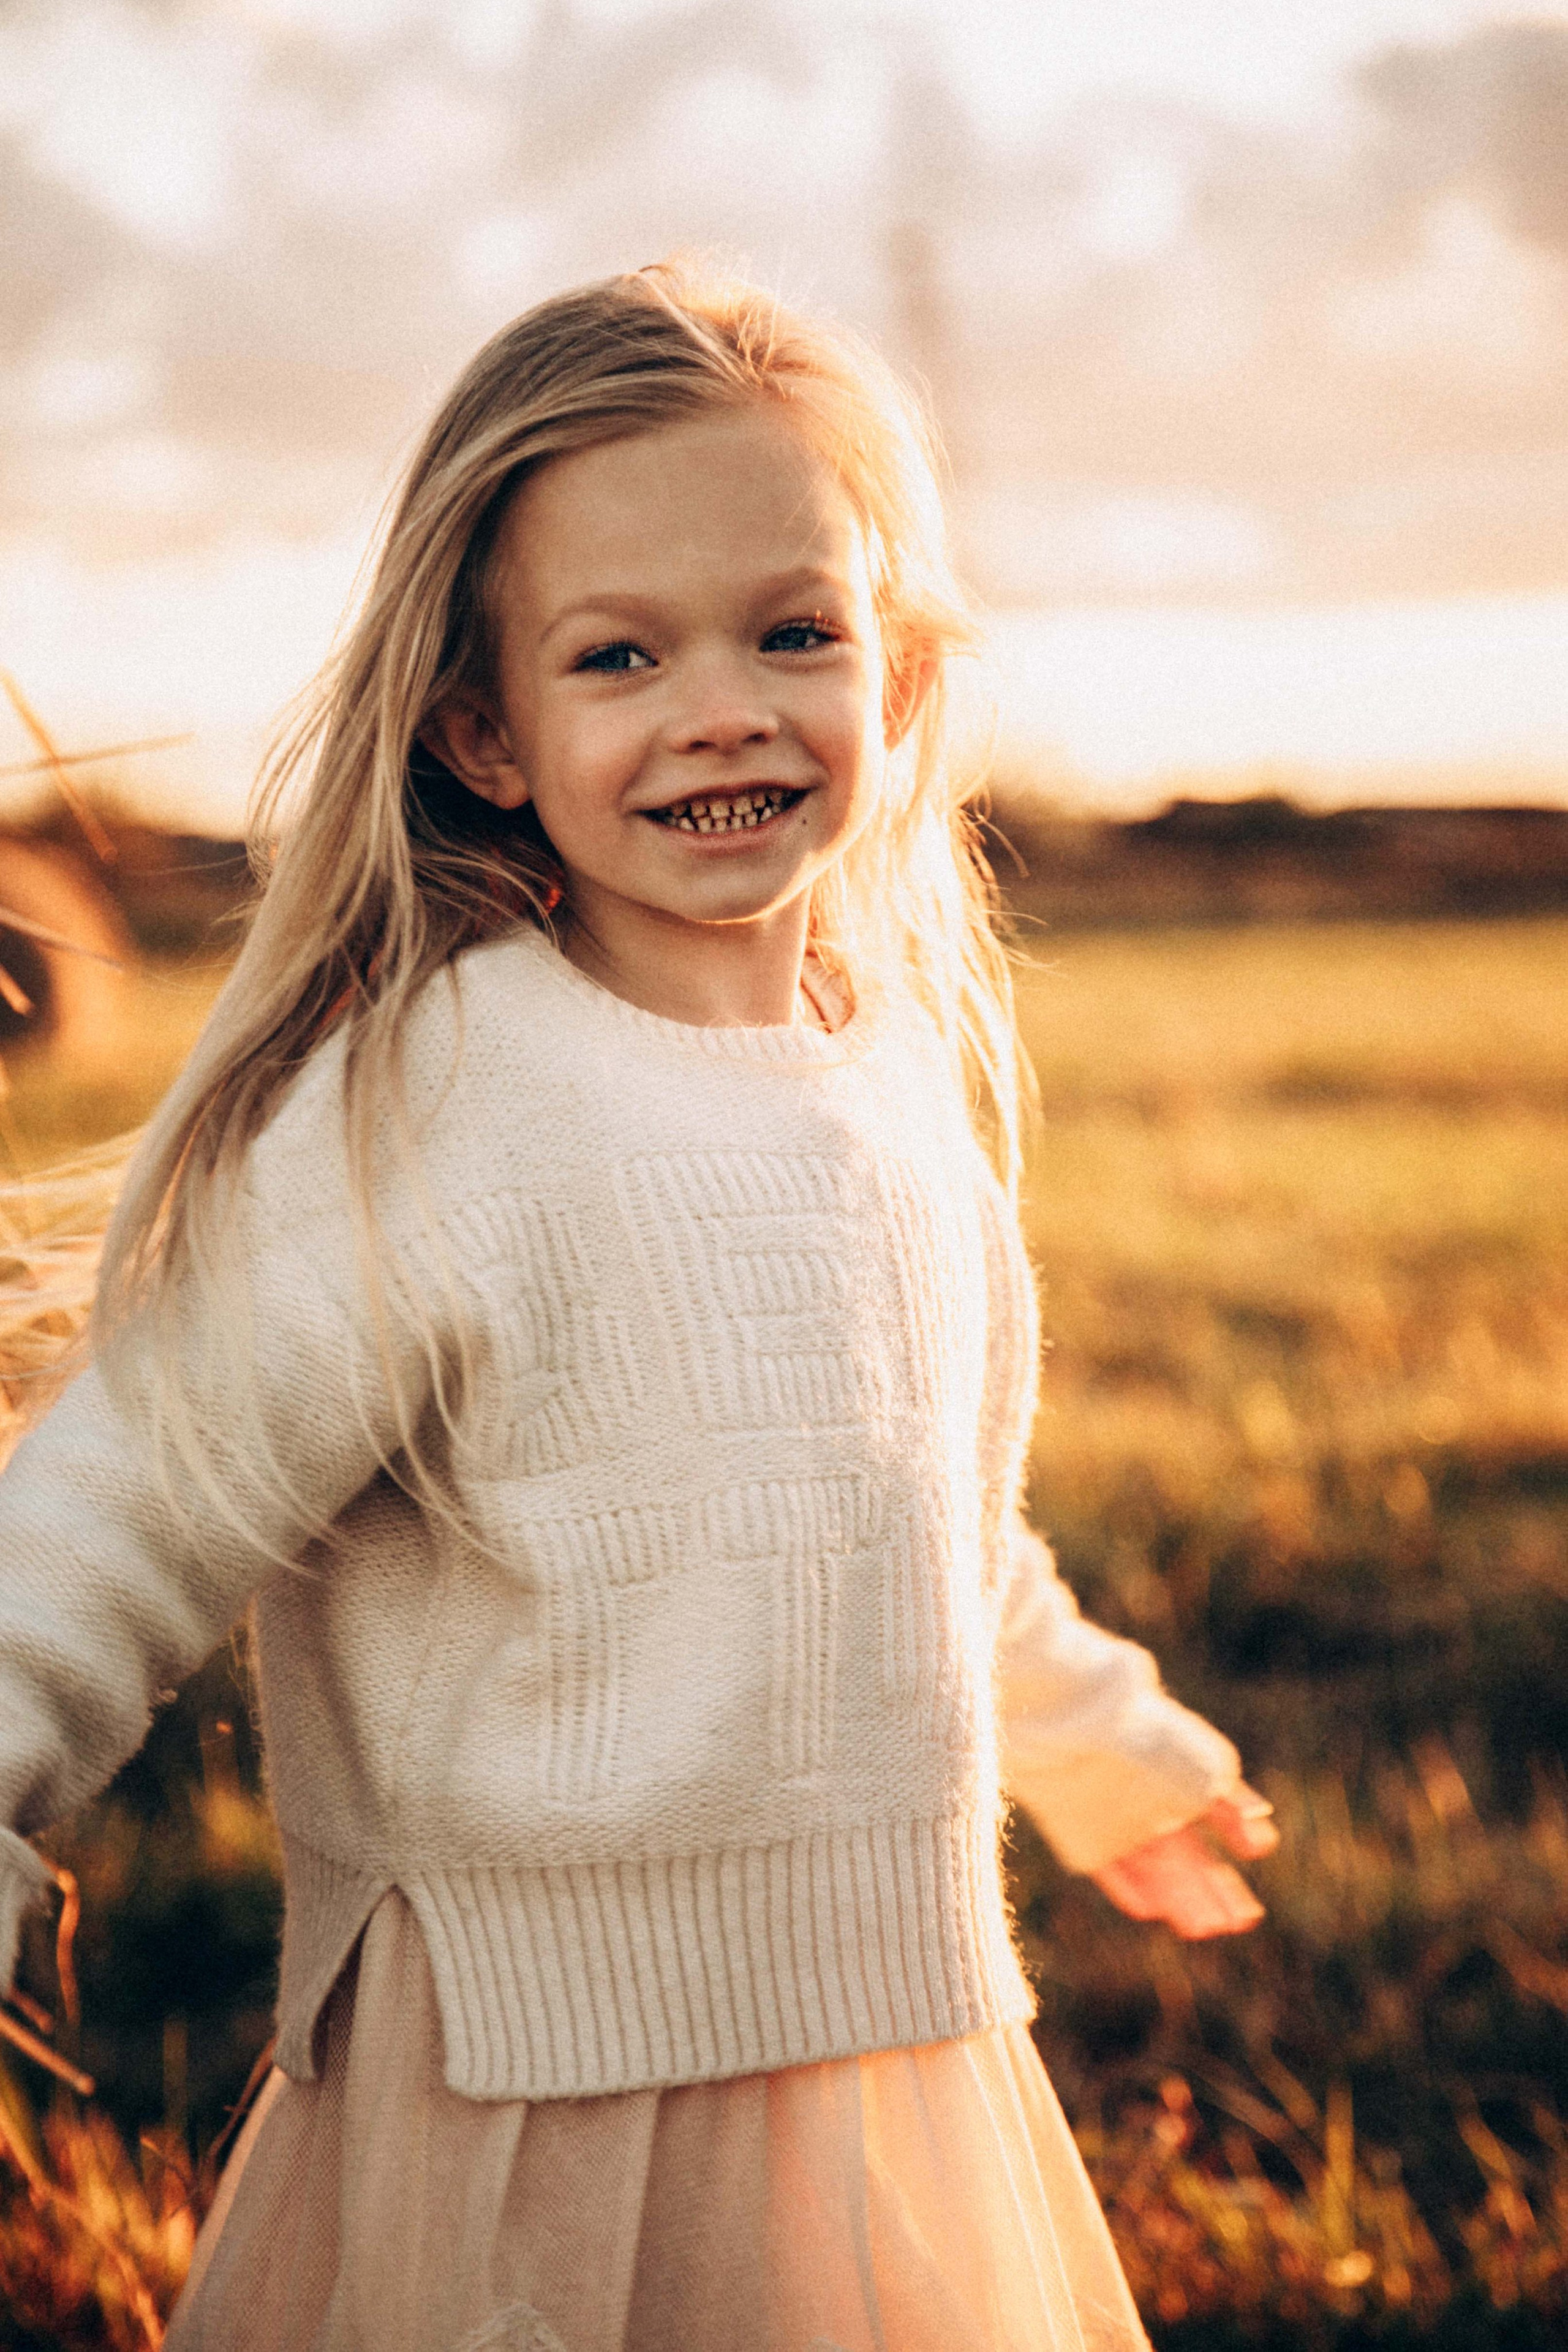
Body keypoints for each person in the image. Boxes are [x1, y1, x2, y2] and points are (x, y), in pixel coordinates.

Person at [0, 263, 1277, 2352]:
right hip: (521, 2099)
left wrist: (1106, 1746)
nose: (725, 706)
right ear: (484, 734)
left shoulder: (883, 1082)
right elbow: (131, 1503)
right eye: (623, 654)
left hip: (888, 2054)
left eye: (796, 631)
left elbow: (915, 1515)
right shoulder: (433, 1112)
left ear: (900, 671)